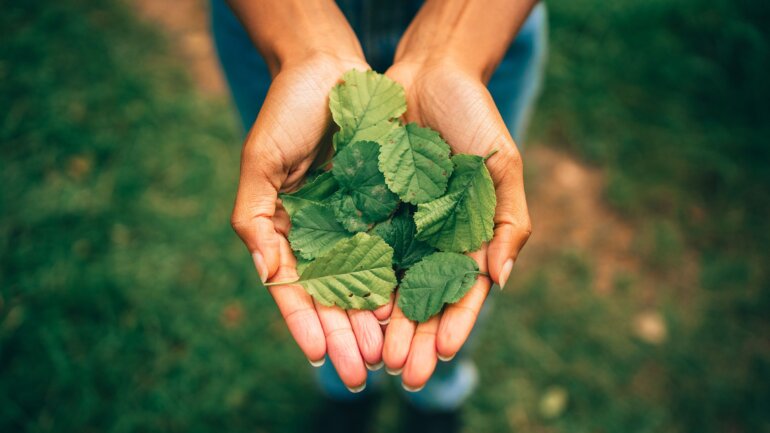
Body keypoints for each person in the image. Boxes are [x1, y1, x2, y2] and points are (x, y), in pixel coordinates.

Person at [212, 0, 546, 431]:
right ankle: (345, 391)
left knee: (466, 278)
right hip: (270, 27)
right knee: (332, 307)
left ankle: (436, 395)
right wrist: (306, 43)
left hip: (486, 28)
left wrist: (451, 47)